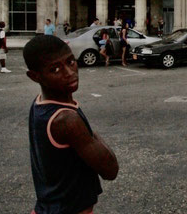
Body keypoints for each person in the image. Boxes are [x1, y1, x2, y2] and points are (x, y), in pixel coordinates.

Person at [23, 35, 118, 214]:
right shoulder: (66, 119)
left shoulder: (39, 103)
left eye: (71, 61)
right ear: (34, 76)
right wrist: (92, 134)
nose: (69, 72)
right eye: (55, 69)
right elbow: (110, 170)